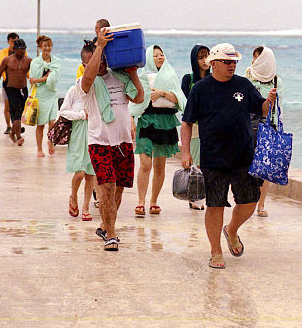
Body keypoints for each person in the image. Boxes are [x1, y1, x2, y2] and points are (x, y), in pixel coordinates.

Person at [180, 43, 276, 269]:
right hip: (213, 158)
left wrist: (269, 101)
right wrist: (185, 151)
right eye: (227, 61)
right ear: (213, 63)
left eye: (234, 62)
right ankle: (215, 251)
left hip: (243, 155)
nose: (232, 65)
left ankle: (231, 230)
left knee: (250, 203)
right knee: (215, 206)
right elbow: (187, 123)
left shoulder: (243, 85)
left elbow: (261, 110)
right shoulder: (200, 89)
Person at [79, 30, 144, 251]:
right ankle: (112, 234)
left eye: (101, 58)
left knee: (118, 190)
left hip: (124, 142)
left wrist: (132, 72)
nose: (98, 64)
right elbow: (89, 76)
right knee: (106, 186)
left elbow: (138, 97)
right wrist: (98, 47)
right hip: (99, 142)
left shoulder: (119, 76)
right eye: (92, 62)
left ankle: (106, 226)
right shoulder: (84, 83)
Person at [129, 45, 185, 216]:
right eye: (155, 55)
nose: (160, 57)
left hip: (165, 121)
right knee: (145, 164)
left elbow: (179, 99)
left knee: (159, 166)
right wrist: (131, 119)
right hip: (146, 120)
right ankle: (140, 202)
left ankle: (154, 201)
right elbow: (133, 99)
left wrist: (162, 93)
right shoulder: (142, 76)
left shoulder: (170, 75)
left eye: (162, 55)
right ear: (148, 58)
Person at [245, 46, 285, 217]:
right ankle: (248, 201)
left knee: (265, 167)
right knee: (247, 164)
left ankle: (261, 204)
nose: (255, 61)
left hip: (268, 126)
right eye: (254, 57)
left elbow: (277, 108)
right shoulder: (247, 76)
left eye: (258, 58)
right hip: (248, 124)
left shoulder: (276, 81)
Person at [60, 48, 96, 221]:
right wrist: (82, 115)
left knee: (91, 173)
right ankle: (73, 195)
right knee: (80, 172)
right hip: (79, 132)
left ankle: (86, 206)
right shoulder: (74, 90)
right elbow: (63, 112)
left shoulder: (99, 89)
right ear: (83, 65)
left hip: (95, 131)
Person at [180, 45, 210, 210]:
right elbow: (187, 101)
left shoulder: (214, 79)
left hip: (209, 126)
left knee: (207, 163)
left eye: (207, 56)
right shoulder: (188, 79)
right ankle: (195, 197)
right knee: (194, 162)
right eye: (201, 57)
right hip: (194, 125)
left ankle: (202, 195)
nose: (205, 60)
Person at [0, 39, 31, 146]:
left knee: (21, 112)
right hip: (11, 88)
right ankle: (19, 137)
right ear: (14, 49)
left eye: (24, 49)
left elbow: (36, 72)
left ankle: (12, 133)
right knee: (16, 113)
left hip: (23, 88)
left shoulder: (28, 60)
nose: (22, 51)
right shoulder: (7, 60)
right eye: (20, 49)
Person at [29, 35, 61, 157]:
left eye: (49, 46)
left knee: (53, 122)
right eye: (45, 46)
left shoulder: (55, 61)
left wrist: (40, 79)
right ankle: (39, 149)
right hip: (40, 96)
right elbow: (32, 80)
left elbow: (54, 76)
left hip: (52, 93)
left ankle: (51, 142)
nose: (47, 48)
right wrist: (43, 79)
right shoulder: (35, 62)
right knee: (41, 124)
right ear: (40, 47)